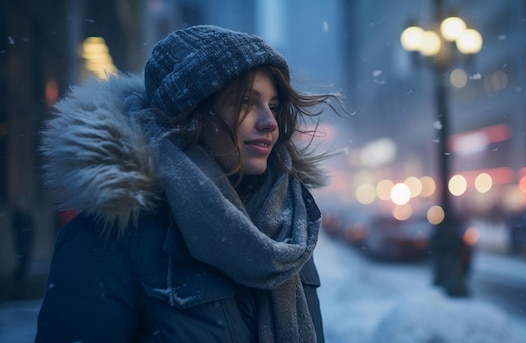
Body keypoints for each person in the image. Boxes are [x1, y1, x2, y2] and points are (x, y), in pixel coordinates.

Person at [36, 25, 343, 343]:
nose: (270, 122)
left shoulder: (285, 230)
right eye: (246, 103)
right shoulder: (112, 237)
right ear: (190, 114)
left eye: (274, 106)